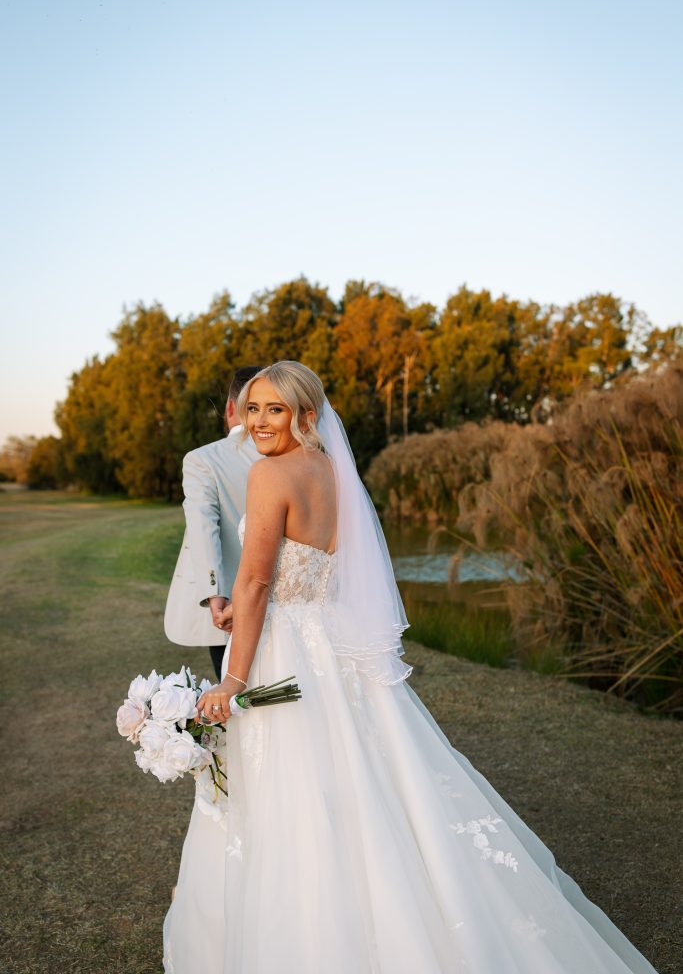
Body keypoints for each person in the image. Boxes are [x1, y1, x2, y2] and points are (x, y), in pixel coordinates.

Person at [163, 361, 658, 973]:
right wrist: (246, 609)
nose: (260, 422)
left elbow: (261, 578)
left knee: (294, 781)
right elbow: (315, 572)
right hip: (328, 641)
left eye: (276, 410)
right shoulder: (332, 471)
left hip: (286, 651)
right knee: (368, 770)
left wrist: (232, 681)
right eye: (255, 408)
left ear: (305, 416)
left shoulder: (269, 474)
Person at [164, 366, 262, 680]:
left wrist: (214, 592)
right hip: (293, 605)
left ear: (230, 408)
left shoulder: (203, 459)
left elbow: (203, 527)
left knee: (235, 695)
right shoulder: (298, 457)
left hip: (231, 606)